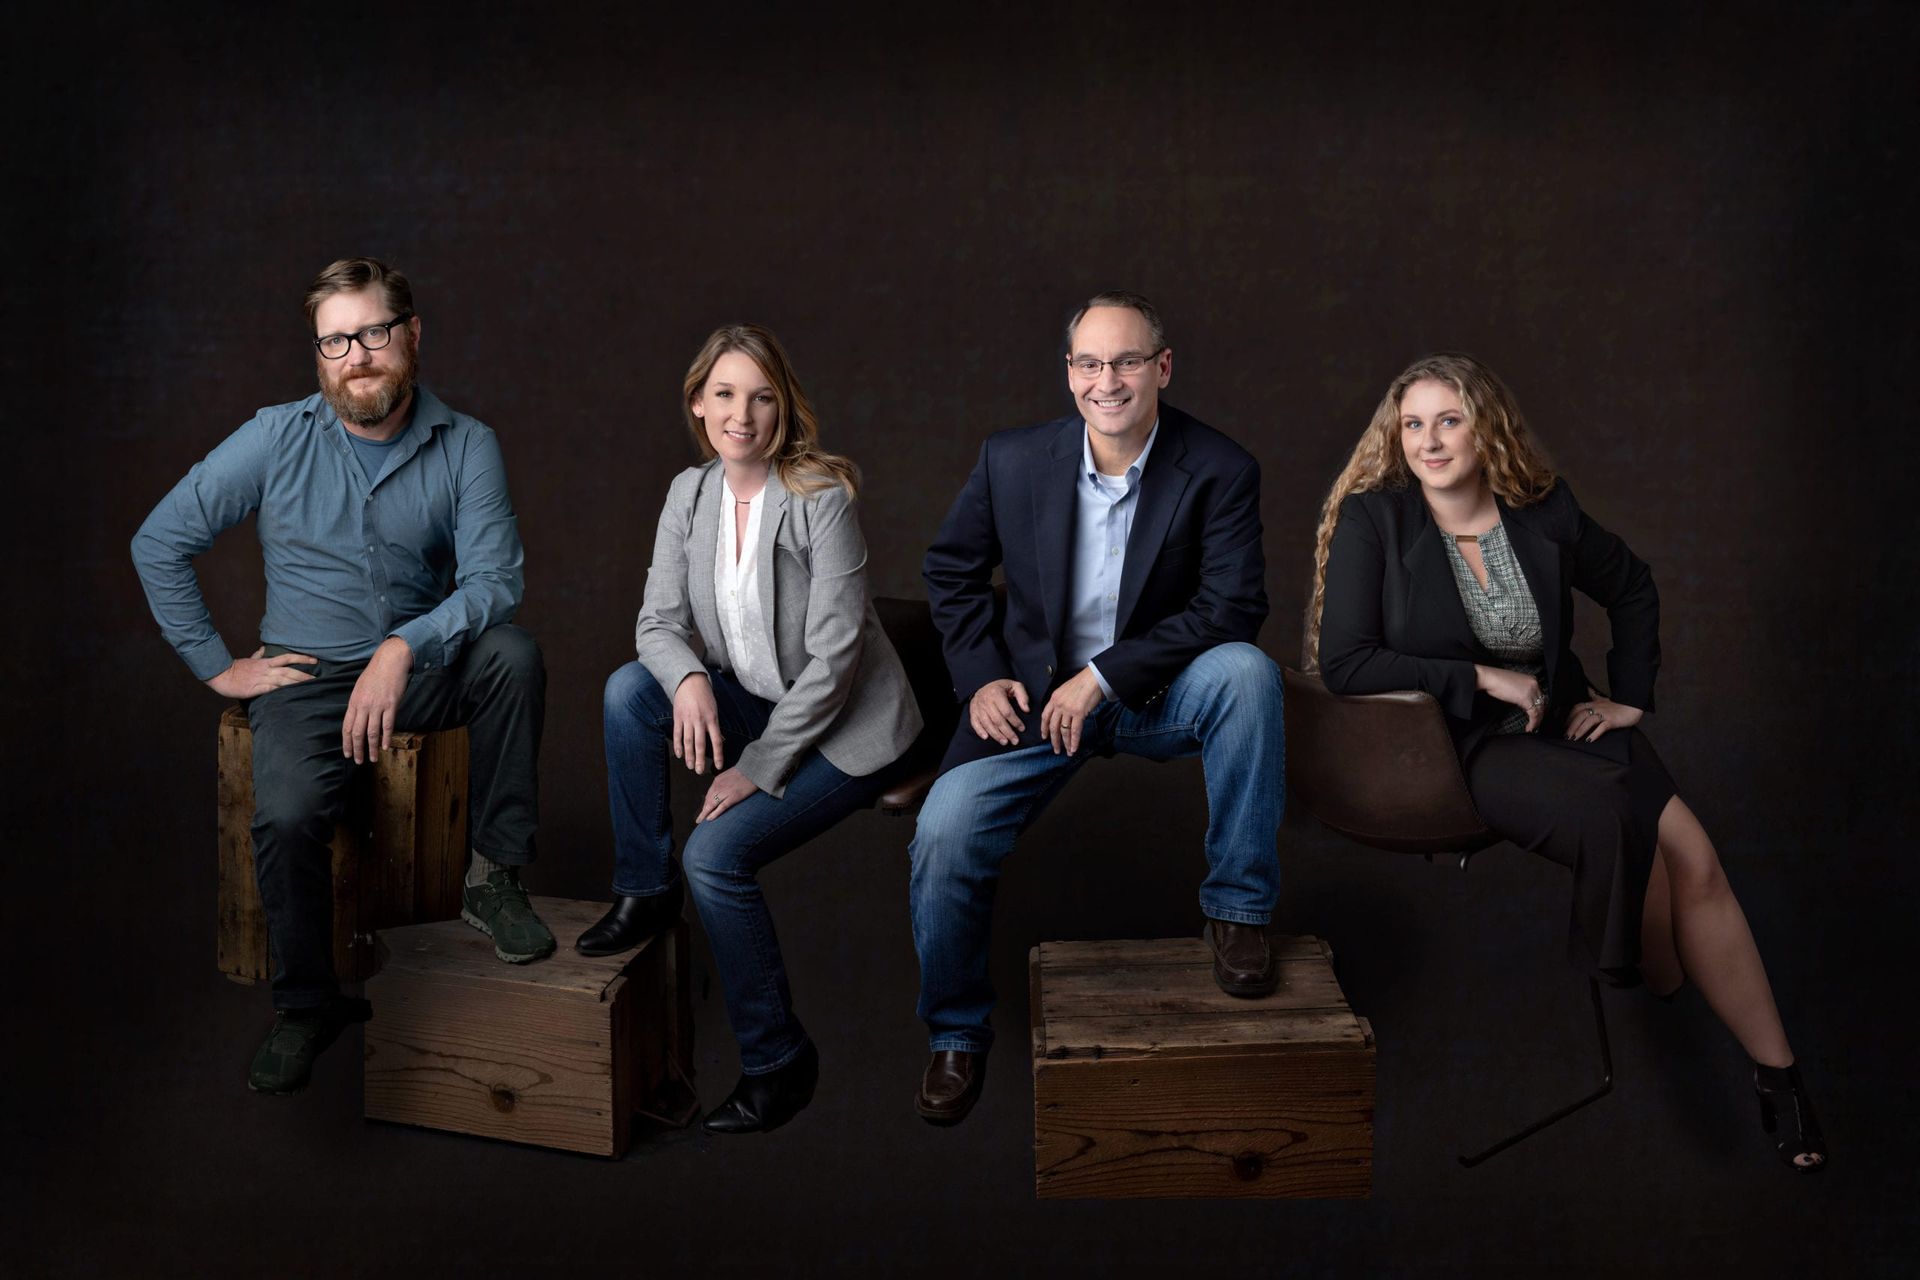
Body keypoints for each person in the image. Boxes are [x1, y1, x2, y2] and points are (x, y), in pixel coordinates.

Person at [1310, 352, 1826, 1172]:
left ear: (1486, 428)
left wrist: (1631, 698)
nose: (1429, 441)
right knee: (1622, 815)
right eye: (1413, 424)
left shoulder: (1542, 509)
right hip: (1466, 745)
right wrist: (1481, 676)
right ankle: (1643, 955)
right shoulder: (1380, 520)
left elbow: (1633, 585)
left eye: (1449, 420)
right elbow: (1347, 663)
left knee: (1699, 859)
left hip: (1564, 717)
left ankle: (1779, 1076)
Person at [131, 257, 554, 1096]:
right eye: (335, 341)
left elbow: (495, 582)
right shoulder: (274, 436)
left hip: (422, 670)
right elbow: (159, 542)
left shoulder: (467, 444)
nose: (356, 355)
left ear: (412, 334)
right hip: (308, 681)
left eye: (373, 333)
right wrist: (216, 666)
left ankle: (494, 879)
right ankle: (306, 1005)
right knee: (287, 815)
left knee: (512, 654)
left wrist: (402, 648)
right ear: (318, 353)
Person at [908, 291, 1287, 1126]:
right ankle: (956, 1031)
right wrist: (980, 679)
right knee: (943, 831)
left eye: (1126, 361)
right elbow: (950, 571)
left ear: (1163, 367)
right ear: (1069, 371)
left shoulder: (1220, 468)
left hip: (1151, 694)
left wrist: (1102, 677)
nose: (1106, 381)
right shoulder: (1011, 460)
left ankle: (1238, 910)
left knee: (1247, 674)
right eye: (1088, 362)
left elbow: (1231, 608)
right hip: (1030, 702)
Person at [581, 323, 922, 1136]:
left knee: (715, 856)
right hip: (759, 700)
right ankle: (644, 891)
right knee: (631, 691)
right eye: (726, 394)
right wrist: (691, 679)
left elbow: (835, 663)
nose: (743, 414)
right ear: (699, 404)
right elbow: (656, 623)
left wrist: (757, 765)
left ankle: (779, 1062)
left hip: (849, 727)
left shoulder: (820, 498)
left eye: (763, 397)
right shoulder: (689, 493)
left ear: (784, 408)